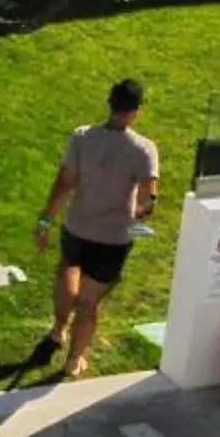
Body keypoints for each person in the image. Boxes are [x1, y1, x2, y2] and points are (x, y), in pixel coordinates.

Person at [32, 78, 160, 380]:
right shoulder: (144, 149)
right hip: (112, 239)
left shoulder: (82, 137)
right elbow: (149, 197)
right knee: (89, 301)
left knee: (67, 270)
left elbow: (65, 183)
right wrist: (142, 213)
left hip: (76, 228)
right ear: (136, 111)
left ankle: (58, 330)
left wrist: (45, 220)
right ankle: (74, 360)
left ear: (109, 103)